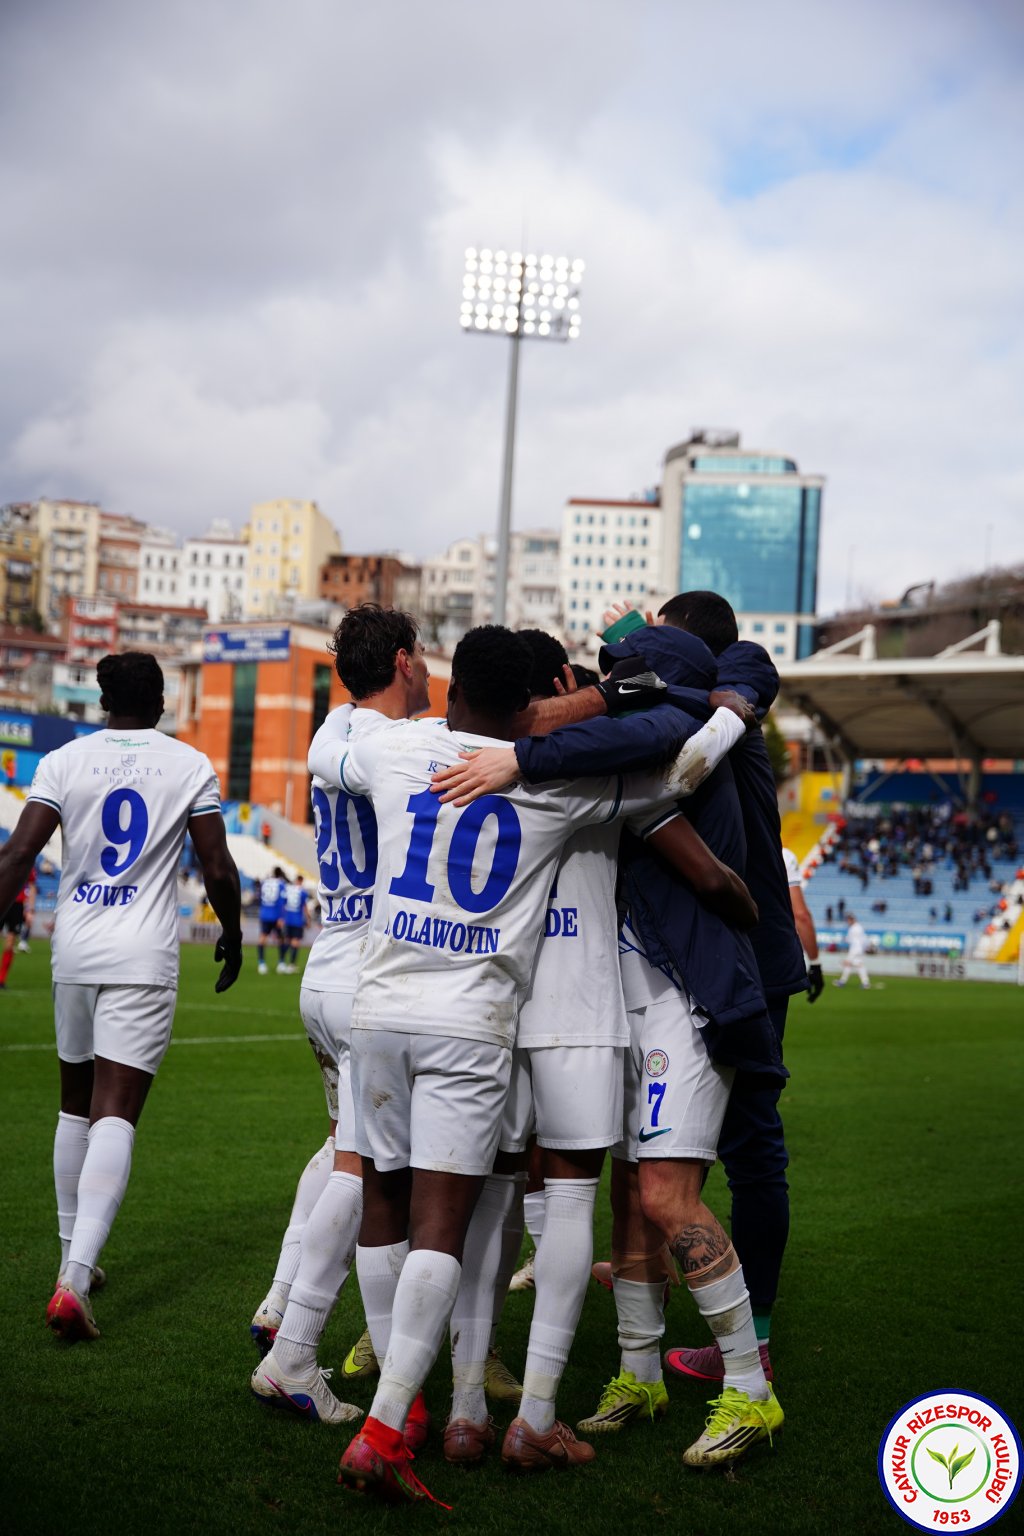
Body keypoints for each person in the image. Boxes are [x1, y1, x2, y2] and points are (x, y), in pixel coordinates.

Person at [314, 627, 743, 1501]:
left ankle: (455, 1399)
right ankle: (513, 1414)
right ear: (537, 696)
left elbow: (334, 747)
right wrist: (629, 704)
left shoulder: (396, 747)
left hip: (389, 1008)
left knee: (422, 1203)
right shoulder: (571, 777)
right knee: (545, 1205)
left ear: (452, 681)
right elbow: (673, 754)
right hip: (529, 1013)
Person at [429, 624, 785, 1472]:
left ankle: (750, 1389)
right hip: (626, 1001)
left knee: (665, 1196)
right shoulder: (635, 741)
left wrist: (525, 747)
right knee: (628, 1195)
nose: (603, 685)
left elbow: (651, 730)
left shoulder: (670, 741)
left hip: (685, 1005)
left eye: (626, 674)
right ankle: (638, 1372)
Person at [0, 651, 242, 1341]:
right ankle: (76, 1279)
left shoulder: (64, 761)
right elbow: (217, 865)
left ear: (103, 700)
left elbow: (17, 857)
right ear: (161, 700)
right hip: (141, 956)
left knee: (73, 1103)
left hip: (74, 950)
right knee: (116, 1113)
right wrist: (231, 931)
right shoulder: (188, 763)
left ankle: (69, 1258)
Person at [250, 605, 432, 1427]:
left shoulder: (338, 730)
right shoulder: (394, 744)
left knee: (340, 1147)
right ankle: (295, 1350)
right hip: (369, 974)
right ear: (401, 660)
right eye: (423, 655)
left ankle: (281, 1299)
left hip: (327, 963)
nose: (431, 670)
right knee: (366, 1169)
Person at [0, 870, 34, 988]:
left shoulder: (27, 860)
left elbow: (32, 885)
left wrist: (30, 910)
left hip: (16, 904)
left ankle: (1, 979)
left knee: (10, 941)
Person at [256, 866, 287, 975]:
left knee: (262, 937)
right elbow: (282, 902)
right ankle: (281, 963)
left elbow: (259, 897)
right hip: (276, 914)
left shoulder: (264, 882)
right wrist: (281, 917)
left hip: (264, 913)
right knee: (281, 939)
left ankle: (261, 964)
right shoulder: (281, 884)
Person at [279, 874, 310, 973]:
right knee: (295, 942)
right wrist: (308, 919)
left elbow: (283, 905)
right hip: (297, 920)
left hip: (288, 919)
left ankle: (281, 963)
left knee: (287, 941)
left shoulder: (288, 890)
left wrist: (282, 918)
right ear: (301, 881)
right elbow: (304, 907)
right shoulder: (302, 891)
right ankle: (291, 965)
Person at [835, 912, 871, 988]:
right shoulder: (858, 927)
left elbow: (855, 941)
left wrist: (853, 953)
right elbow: (863, 940)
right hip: (858, 950)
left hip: (855, 950)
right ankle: (865, 982)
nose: (847, 922)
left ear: (851, 920)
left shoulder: (855, 928)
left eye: (848, 920)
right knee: (858, 966)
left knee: (848, 964)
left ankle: (842, 981)